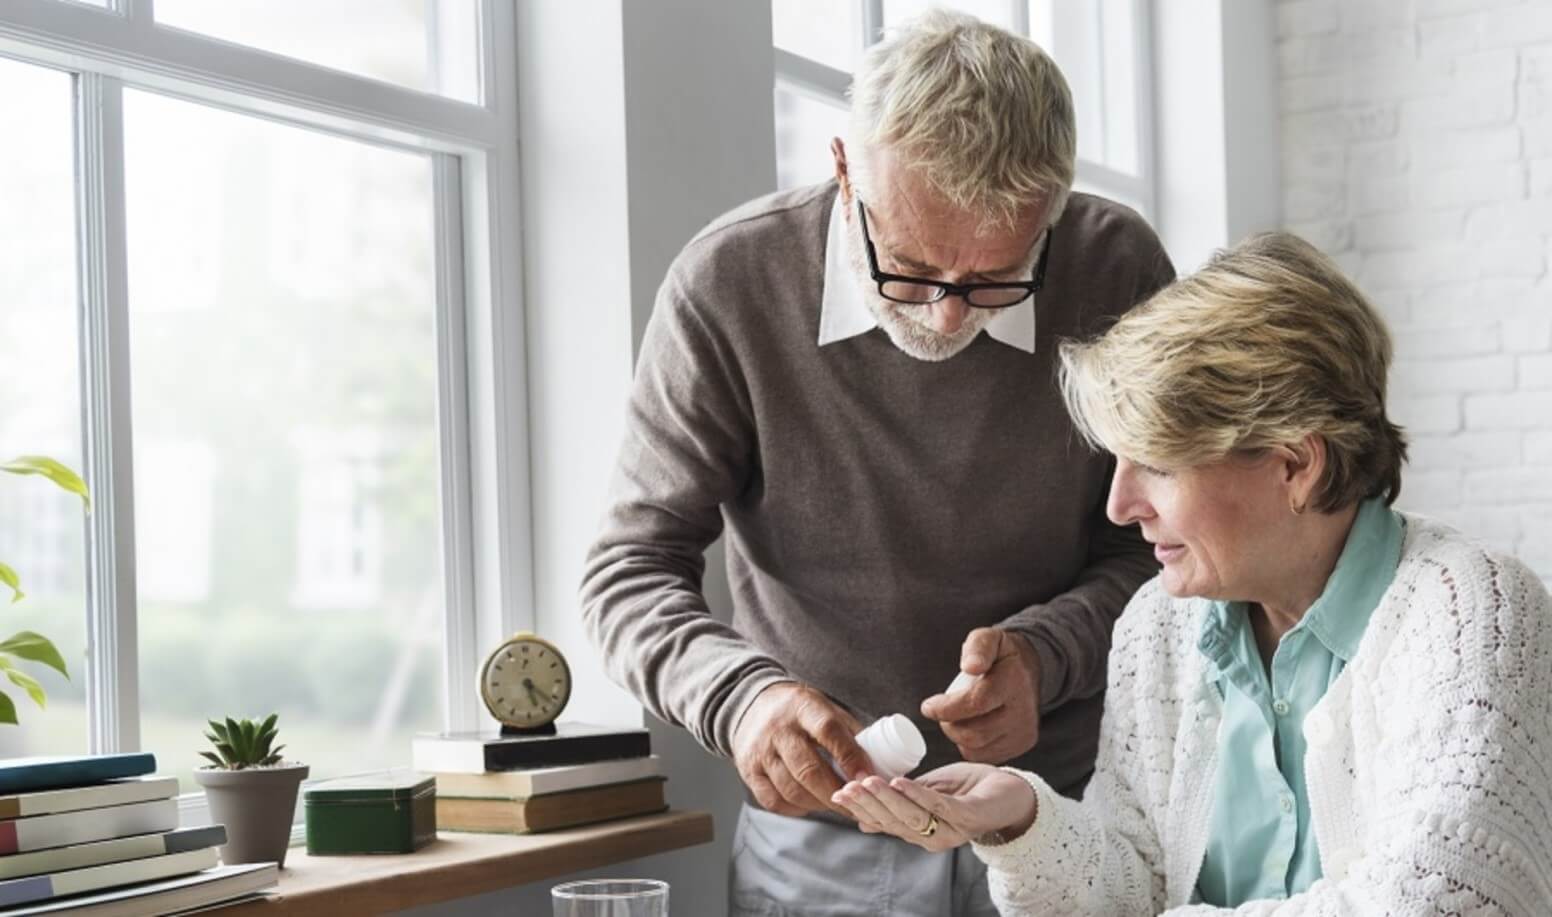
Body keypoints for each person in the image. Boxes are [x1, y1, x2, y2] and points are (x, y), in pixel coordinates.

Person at [581, 11, 1175, 915]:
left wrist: (1047, 656)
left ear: (1055, 206)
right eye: (908, 267)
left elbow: (1163, 547)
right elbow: (627, 571)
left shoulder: (1116, 268)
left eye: (994, 279)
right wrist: (741, 699)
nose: (945, 318)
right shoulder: (729, 285)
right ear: (845, 167)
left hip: (1063, 815)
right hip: (819, 841)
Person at [831, 232, 1552, 914]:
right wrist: (1021, 819)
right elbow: (1141, 879)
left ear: (1296, 464)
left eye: (1160, 462)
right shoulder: (1158, 623)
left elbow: (1448, 900)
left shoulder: (1473, 614)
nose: (1119, 505)